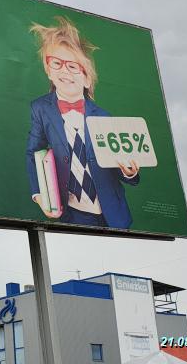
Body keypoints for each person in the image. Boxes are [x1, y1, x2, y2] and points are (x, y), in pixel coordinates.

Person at [26, 17, 139, 229]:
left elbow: (116, 165)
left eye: (73, 66)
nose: (65, 71)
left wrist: (129, 171)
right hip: (73, 211)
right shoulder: (41, 108)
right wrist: (39, 194)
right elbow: (33, 152)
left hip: (112, 212)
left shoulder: (103, 116)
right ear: (48, 69)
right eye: (57, 63)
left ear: (87, 79)